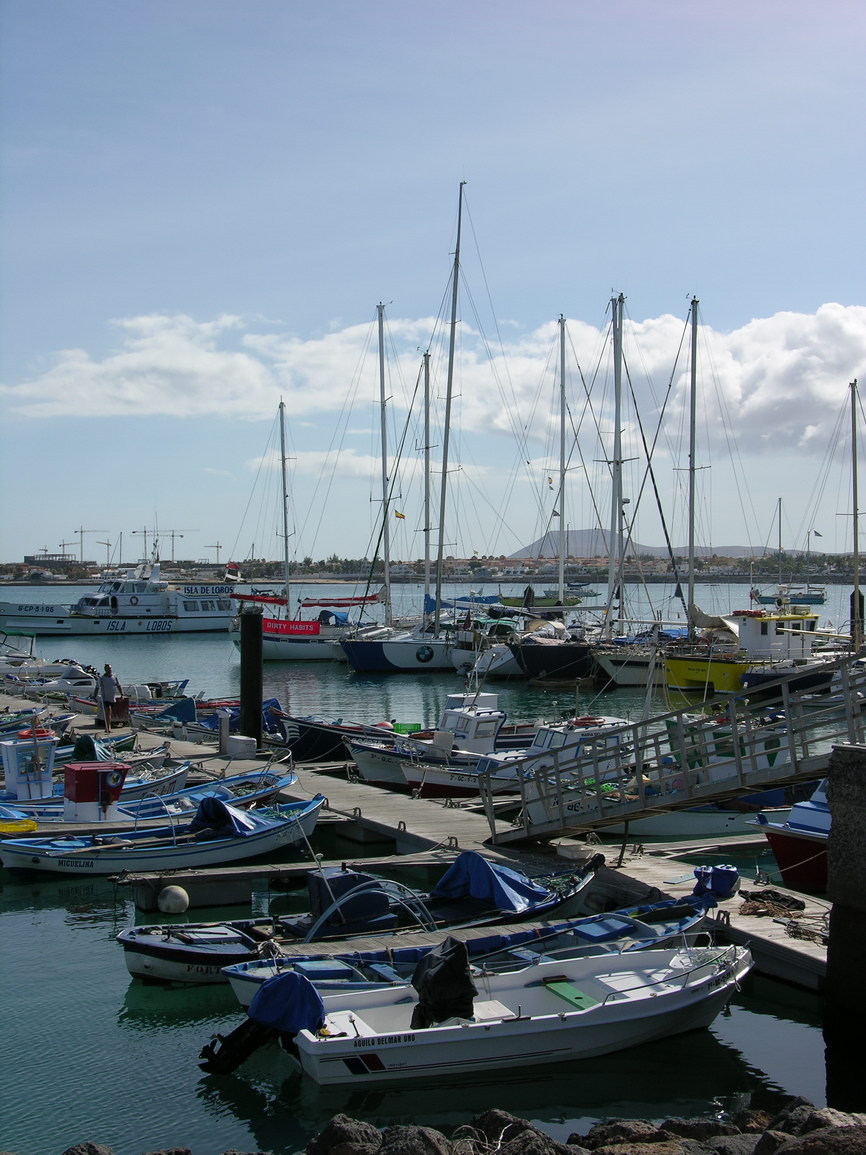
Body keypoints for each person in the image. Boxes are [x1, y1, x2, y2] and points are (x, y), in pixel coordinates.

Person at [96, 663, 123, 732]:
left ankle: (108, 726)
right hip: (105, 698)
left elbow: (118, 686)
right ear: (105, 669)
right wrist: (94, 696)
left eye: (110, 668)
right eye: (108, 668)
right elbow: (97, 688)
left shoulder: (114, 677)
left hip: (112, 698)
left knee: (110, 713)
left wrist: (122, 694)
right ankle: (108, 727)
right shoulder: (102, 678)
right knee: (108, 711)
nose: (109, 670)